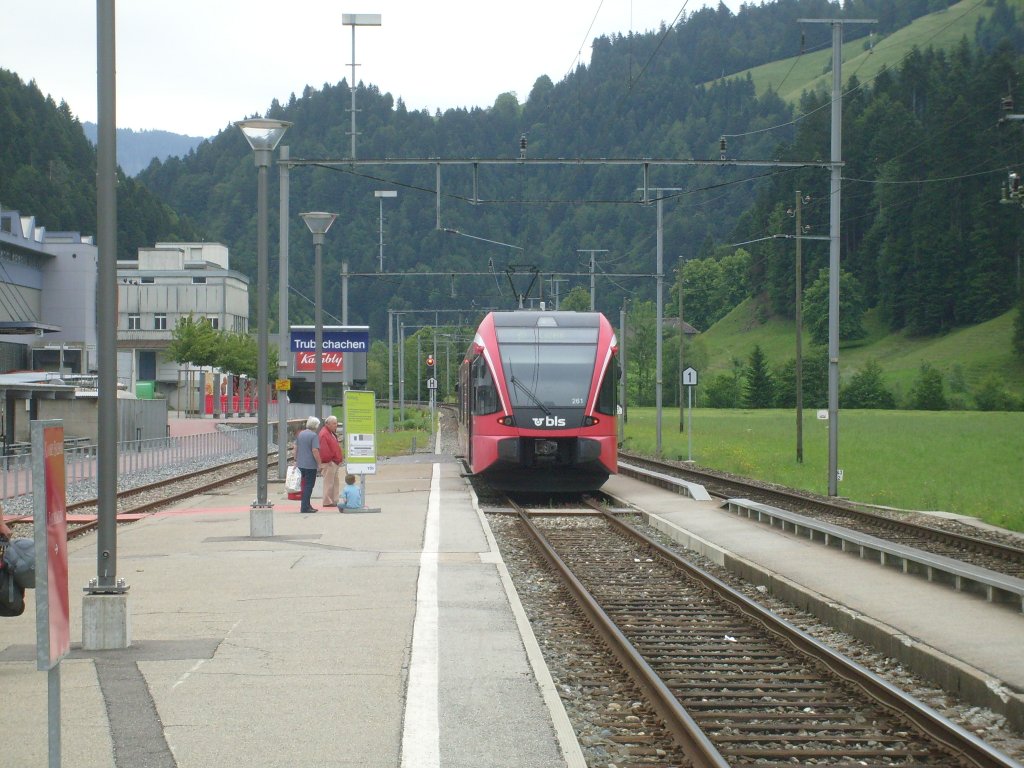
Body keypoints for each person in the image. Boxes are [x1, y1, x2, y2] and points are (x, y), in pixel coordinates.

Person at [295, 416, 322, 513]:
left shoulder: (301, 434)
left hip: (301, 464)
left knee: (304, 486)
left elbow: (296, 447)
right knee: (309, 486)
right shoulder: (313, 436)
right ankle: (305, 507)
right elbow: (315, 450)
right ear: (316, 426)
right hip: (310, 465)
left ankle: (307, 504)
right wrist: (319, 464)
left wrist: (295, 459)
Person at [318, 415, 344, 507]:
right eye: (334, 423)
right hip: (330, 463)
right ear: (327, 424)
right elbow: (324, 450)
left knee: (334, 483)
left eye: (336, 423)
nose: (336, 425)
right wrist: (329, 461)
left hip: (334, 462)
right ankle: (327, 501)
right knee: (328, 483)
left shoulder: (330, 433)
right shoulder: (324, 434)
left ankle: (334, 500)